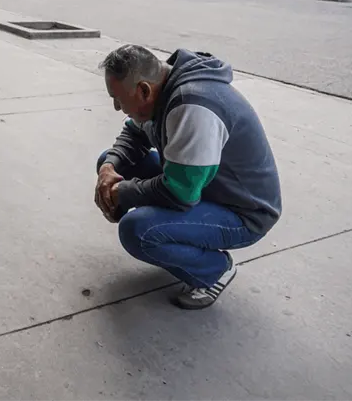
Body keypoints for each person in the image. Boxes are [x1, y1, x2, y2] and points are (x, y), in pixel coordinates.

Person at [94, 45, 281, 309]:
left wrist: (122, 193)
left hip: (243, 212)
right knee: (109, 161)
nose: (116, 107)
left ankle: (214, 270)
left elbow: (179, 194)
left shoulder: (192, 107)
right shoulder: (162, 88)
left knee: (138, 230)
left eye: (118, 99)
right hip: (202, 184)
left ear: (144, 90)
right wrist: (109, 169)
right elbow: (133, 135)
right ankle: (176, 237)